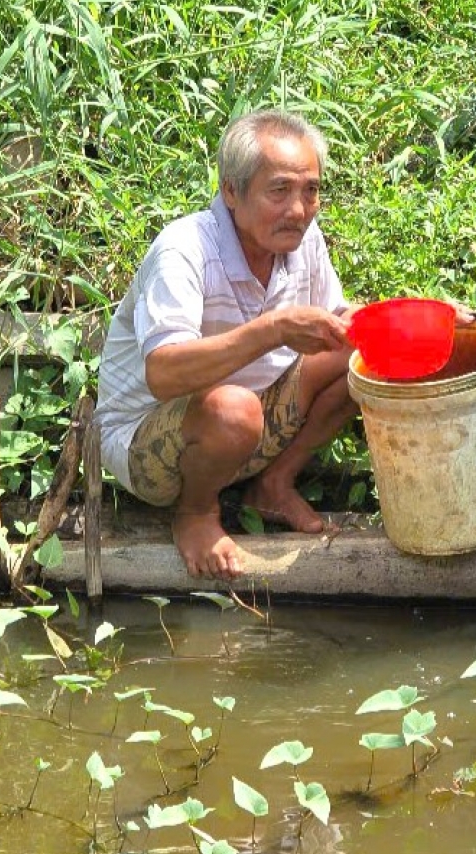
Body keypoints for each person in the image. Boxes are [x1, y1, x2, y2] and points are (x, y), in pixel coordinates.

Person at [95, 109, 357, 581]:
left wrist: (424, 316)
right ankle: (195, 513)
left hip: (248, 424)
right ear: (231, 192)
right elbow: (163, 373)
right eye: (279, 190)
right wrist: (274, 330)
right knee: (233, 411)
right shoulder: (185, 249)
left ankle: (274, 485)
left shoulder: (303, 238)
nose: (298, 210)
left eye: (310, 191)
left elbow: (339, 323)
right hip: (151, 444)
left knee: (359, 353)